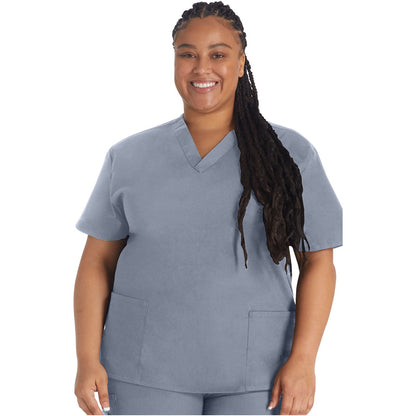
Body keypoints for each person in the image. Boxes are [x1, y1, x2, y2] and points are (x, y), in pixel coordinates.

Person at [73, 1, 343, 415]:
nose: (202, 68)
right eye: (188, 54)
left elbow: (318, 261)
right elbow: (97, 261)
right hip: (142, 368)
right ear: (174, 61)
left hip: (259, 372)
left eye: (218, 54)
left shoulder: (289, 156)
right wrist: (86, 358)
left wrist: (304, 360)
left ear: (241, 62)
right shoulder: (128, 158)